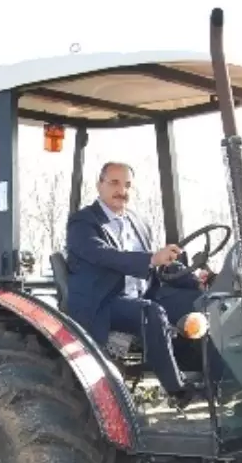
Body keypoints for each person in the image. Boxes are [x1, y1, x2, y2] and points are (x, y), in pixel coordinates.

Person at [63, 161, 208, 404]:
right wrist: (152, 258)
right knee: (151, 313)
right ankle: (178, 390)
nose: (122, 190)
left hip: (143, 294)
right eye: (115, 183)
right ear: (100, 185)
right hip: (103, 301)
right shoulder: (83, 223)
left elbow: (159, 264)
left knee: (199, 303)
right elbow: (104, 255)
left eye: (128, 185)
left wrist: (196, 281)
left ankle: (213, 382)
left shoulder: (137, 222)